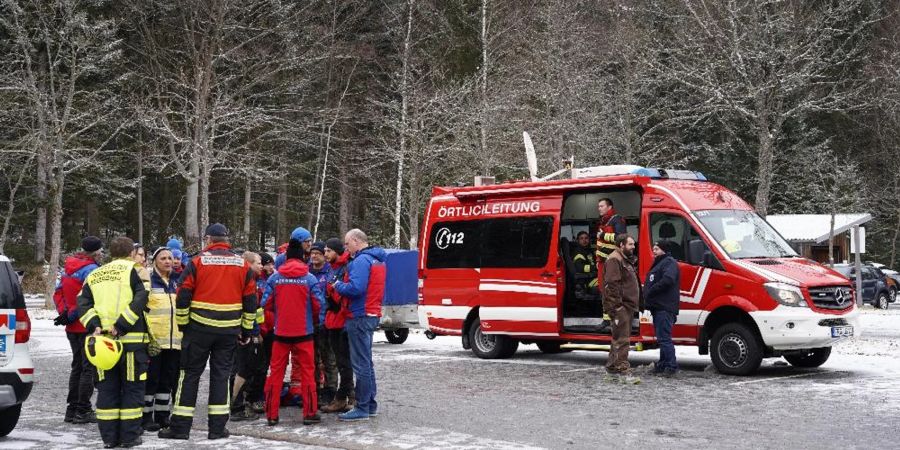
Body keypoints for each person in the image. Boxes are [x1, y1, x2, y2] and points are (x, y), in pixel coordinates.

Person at [159, 223, 257, 441]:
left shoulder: (197, 262)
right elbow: (251, 300)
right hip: (229, 330)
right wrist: (246, 329)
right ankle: (218, 428)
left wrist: (183, 325)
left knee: (189, 375)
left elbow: (183, 295)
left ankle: (180, 427)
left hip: (199, 329)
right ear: (226, 240)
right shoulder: (242, 265)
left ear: (208, 240)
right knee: (221, 377)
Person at [77, 236, 150, 448]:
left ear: (111, 253)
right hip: (130, 342)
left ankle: (109, 438)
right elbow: (141, 298)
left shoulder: (95, 273)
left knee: (107, 390)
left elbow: (82, 302)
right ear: (131, 253)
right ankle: (129, 437)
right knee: (132, 389)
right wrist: (122, 324)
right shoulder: (135, 270)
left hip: (102, 345)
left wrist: (94, 326)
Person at [261, 239, 323, 426]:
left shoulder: (274, 279)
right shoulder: (310, 278)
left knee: (276, 373)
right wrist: (314, 322)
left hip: (281, 333)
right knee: (307, 373)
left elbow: (266, 303)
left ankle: (271, 415)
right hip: (304, 333)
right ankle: (309, 413)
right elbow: (318, 305)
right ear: (302, 258)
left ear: (286, 258)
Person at [334, 229, 386, 422]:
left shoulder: (362, 261)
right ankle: (370, 405)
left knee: (361, 364)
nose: (346, 248)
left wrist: (338, 285)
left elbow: (356, 288)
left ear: (356, 241)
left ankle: (362, 407)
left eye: (347, 244)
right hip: (371, 313)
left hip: (359, 316)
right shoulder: (377, 260)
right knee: (367, 363)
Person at [54, 236, 103, 424]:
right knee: (88, 368)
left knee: (77, 367)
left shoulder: (68, 267)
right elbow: (89, 298)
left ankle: (71, 409)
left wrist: (64, 313)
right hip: (87, 324)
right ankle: (83, 410)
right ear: (96, 252)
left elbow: (58, 292)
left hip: (71, 325)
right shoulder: (92, 271)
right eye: (100, 251)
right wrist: (73, 314)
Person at [142, 246, 182, 431]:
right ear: (155, 262)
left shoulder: (177, 282)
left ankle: (163, 415)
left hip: (174, 341)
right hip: (155, 341)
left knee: (167, 380)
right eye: (163, 258)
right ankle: (146, 416)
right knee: (152, 380)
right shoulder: (149, 281)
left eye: (170, 258)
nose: (168, 261)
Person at [230, 252, 265, 422]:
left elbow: (255, 310)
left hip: (248, 331)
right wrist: (244, 331)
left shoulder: (253, 281)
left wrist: (256, 330)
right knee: (238, 370)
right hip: (240, 332)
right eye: (258, 263)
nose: (261, 266)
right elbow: (242, 307)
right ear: (248, 264)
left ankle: (238, 404)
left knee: (245, 369)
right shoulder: (242, 281)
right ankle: (235, 407)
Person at [321, 238, 355, 413]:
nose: (325, 254)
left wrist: (333, 299)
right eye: (325, 251)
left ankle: (344, 397)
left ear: (337, 251)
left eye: (328, 251)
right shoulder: (333, 268)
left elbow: (344, 294)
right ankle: (349, 396)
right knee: (342, 362)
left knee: (344, 362)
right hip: (332, 320)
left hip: (341, 321)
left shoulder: (345, 267)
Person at [602, 233, 640, 375]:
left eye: (633, 244)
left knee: (618, 338)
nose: (633, 247)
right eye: (630, 244)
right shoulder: (614, 259)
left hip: (626, 306)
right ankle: (622, 370)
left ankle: (612, 368)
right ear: (621, 245)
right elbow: (612, 285)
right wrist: (617, 307)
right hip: (620, 307)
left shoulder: (623, 259)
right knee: (623, 340)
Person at [644, 241, 681, 376]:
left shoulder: (669, 262)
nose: (654, 251)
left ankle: (671, 366)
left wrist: (651, 290)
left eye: (657, 249)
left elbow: (668, 280)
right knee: (662, 338)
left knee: (665, 339)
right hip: (659, 307)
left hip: (664, 307)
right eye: (653, 248)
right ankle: (662, 364)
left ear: (664, 250)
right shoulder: (661, 262)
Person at [308, 241, 337, 408]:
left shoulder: (330, 272)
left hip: (326, 321)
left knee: (329, 358)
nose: (314, 256)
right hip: (310, 322)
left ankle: (330, 390)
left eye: (317, 253)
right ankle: (314, 390)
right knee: (312, 358)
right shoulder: (306, 272)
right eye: (312, 253)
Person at [595, 198, 627, 328]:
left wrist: (603, 236)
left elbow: (621, 238)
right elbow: (600, 245)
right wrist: (598, 260)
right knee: (604, 290)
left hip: (613, 262)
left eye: (602, 206)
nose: (599, 208)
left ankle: (615, 320)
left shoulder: (617, 220)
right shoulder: (604, 221)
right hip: (603, 262)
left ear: (609, 207)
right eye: (599, 206)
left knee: (613, 291)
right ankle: (607, 319)